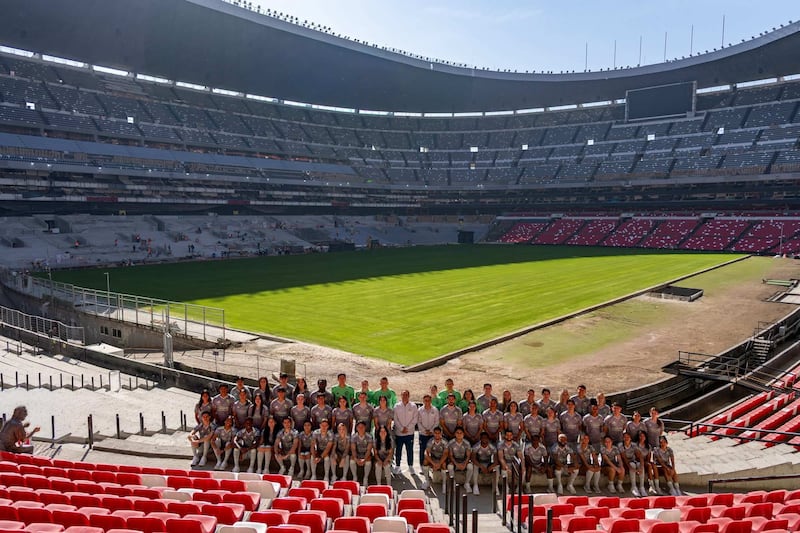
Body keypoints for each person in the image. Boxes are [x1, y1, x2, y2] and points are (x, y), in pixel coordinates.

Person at [393, 390, 417, 474]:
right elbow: (395, 419)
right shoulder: (397, 406)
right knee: (398, 450)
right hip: (399, 433)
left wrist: (408, 428)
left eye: (406, 395)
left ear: (409, 395)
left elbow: (415, 419)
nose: (405, 396)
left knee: (409, 450)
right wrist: (401, 428)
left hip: (409, 433)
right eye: (403, 395)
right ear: (401, 395)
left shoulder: (413, 406)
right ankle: (398, 466)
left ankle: (410, 466)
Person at [470, 431, 497, 496]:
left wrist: (491, 466)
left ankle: (495, 486)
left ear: (488, 439)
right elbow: (473, 459)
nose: (484, 439)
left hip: (488, 463)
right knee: (474, 466)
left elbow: (496, 460)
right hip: (479, 463)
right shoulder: (476, 446)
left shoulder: (492, 447)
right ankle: (475, 486)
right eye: (483, 438)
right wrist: (481, 466)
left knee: (497, 467)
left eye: (486, 438)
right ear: (480, 439)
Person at [422, 427, 448, 492]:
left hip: (441, 459)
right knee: (425, 461)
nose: (437, 435)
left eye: (438, 433)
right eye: (435, 433)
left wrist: (439, 464)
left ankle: (444, 484)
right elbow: (426, 453)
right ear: (433, 433)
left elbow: (446, 454)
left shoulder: (445, 441)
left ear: (441, 433)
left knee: (444, 464)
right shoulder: (431, 441)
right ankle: (427, 481)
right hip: (433, 459)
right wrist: (433, 464)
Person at [447, 427, 473, 492]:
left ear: (463, 434)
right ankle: (453, 483)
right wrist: (457, 464)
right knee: (450, 467)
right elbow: (450, 456)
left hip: (464, 461)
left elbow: (468, 456)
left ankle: (467, 483)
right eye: (457, 433)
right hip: (455, 461)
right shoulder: (451, 443)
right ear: (455, 434)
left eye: (461, 433)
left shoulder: (467, 443)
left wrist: (464, 464)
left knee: (470, 467)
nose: (459, 434)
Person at [417, 394, 439, 469]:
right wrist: (424, 430)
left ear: (431, 401)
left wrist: (431, 431)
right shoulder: (420, 410)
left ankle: (431, 465)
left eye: (428, 400)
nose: (427, 402)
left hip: (432, 434)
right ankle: (422, 465)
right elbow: (418, 422)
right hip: (423, 434)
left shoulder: (435, 410)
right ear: (423, 401)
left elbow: (436, 422)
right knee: (422, 449)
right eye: (425, 400)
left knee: (432, 450)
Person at [619, 432, 643, 497]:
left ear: (630, 438)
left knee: (639, 464)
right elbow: (624, 458)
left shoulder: (634, 445)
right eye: (625, 437)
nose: (626, 439)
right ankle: (633, 486)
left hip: (633, 460)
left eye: (628, 437)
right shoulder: (620, 445)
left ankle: (641, 487)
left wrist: (641, 466)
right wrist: (630, 467)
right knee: (632, 465)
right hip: (625, 462)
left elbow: (639, 455)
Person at [350, 421, 374, 486]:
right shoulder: (354, 437)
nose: (360, 429)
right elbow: (353, 449)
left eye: (362, 427)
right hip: (358, 453)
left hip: (366, 454)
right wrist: (356, 458)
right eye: (359, 427)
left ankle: (365, 478)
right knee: (352, 459)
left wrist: (364, 459)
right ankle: (355, 477)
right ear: (356, 428)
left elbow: (369, 450)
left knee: (368, 460)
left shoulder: (369, 436)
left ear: (365, 428)